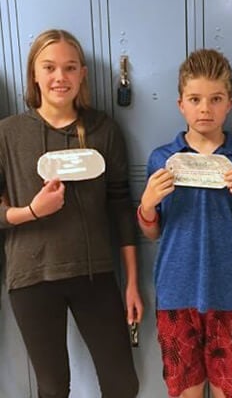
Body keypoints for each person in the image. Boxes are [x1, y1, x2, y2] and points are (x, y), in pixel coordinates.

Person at [0, 29, 143, 398]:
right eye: (49, 67)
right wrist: (31, 211)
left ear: (82, 74)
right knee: (53, 388)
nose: (59, 77)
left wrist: (131, 283)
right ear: (33, 73)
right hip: (31, 278)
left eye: (69, 67)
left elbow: (121, 208)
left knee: (122, 384)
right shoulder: (8, 134)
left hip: (94, 274)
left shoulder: (104, 130)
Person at [137, 48, 232, 398]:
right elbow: (151, 230)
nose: (205, 109)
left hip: (229, 293)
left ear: (229, 104)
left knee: (231, 390)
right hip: (175, 292)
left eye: (215, 99)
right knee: (185, 391)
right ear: (180, 104)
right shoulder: (162, 158)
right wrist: (147, 204)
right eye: (195, 99)